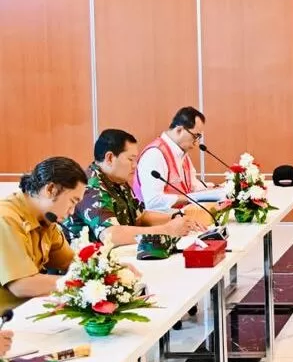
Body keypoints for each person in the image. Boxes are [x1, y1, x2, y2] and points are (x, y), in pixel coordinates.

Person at [64, 129, 205, 245]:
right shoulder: (90, 186)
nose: (134, 165)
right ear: (110, 158)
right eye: (130, 159)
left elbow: (141, 217)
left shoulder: (118, 181)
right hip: (89, 266)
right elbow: (111, 235)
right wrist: (167, 230)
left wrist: (178, 217)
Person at [0, 157, 87, 311]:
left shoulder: (46, 221)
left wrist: (108, 271)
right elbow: (21, 285)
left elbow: (72, 262)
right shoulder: (6, 218)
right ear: (50, 189)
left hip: (27, 309)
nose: (72, 211)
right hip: (8, 318)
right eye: (72, 201)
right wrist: (84, 284)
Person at [133, 106, 221, 213]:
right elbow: (153, 201)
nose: (196, 143)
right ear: (179, 130)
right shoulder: (155, 154)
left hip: (180, 217)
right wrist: (191, 198)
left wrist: (217, 189)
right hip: (159, 220)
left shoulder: (182, 153)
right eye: (195, 136)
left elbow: (193, 186)